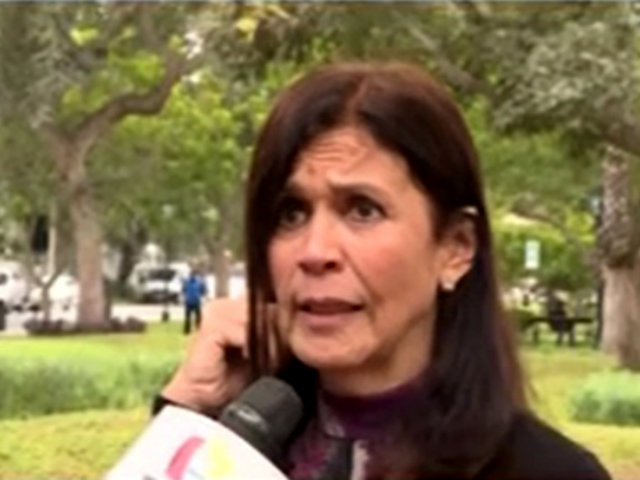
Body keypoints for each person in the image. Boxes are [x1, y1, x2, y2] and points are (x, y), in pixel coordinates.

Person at [158, 62, 610, 479]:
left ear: (456, 247)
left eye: (363, 210)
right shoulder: (226, 451)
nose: (315, 252)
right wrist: (185, 412)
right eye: (291, 213)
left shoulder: (547, 472)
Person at [181, 268, 207, 335]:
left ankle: (187, 330)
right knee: (198, 316)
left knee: (187, 317)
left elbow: (183, 290)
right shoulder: (200, 281)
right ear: (196, 274)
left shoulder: (186, 281)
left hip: (188, 301)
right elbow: (203, 291)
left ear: (190, 274)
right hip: (196, 301)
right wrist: (202, 296)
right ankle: (198, 329)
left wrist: (184, 297)